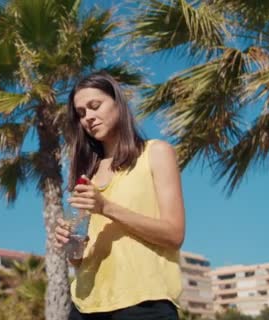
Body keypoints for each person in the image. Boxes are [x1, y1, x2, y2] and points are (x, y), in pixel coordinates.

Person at [54, 71, 186, 320]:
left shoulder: (156, 153)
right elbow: (81, 259)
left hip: (145, 303)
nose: (89, 118)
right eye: (81, 114)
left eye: (95, 106)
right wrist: (71, 244)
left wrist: (106, 207)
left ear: (118, 102)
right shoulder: (87, 175)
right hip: (86, 306)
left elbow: (174, 234)